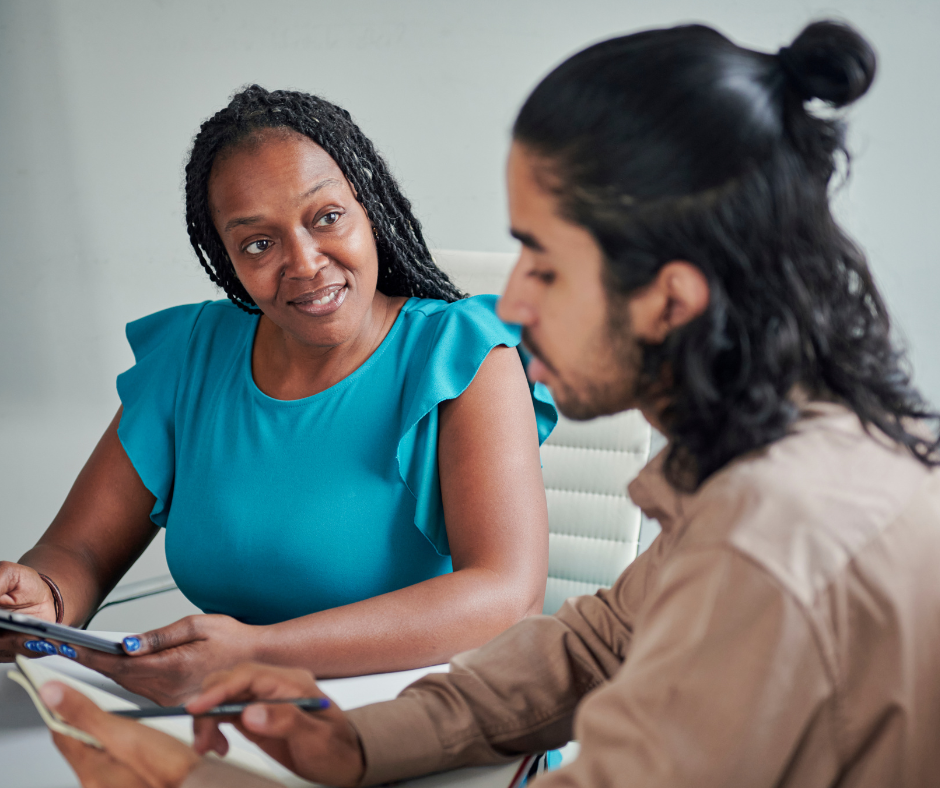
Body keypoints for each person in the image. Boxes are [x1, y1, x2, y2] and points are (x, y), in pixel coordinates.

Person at [41, 17, 940, 788]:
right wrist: (353, 743)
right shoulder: (755, 472)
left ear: (671, 298)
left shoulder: (773, 547)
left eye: (543, 263)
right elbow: (591, 650)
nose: (509, 304)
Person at [0, 86, 557, 705]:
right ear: (226, 259)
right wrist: (41, 594)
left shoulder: (462, 357)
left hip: (421, 728)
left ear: (370, 209)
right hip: (222, 726)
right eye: (258, 244)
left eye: (326, 217)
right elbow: (77, 548)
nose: (304, 262)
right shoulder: (192, 355)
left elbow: (508, 594)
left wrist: (256, 654)